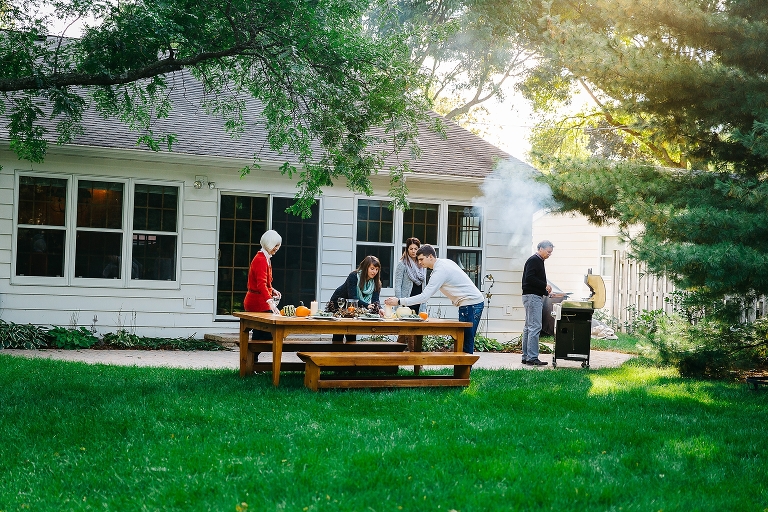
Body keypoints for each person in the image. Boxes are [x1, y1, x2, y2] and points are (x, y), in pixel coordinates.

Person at [385, 245, 484, 353]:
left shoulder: (440, 271)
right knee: (463, 339)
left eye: (421, 259)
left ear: (430, 256)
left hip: (471, 304)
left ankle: (465, 369)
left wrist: (399, 301)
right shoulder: (445, 263)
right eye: (418, 260)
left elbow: (424, 297)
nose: (419, 263)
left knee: (466, 340)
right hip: (469, 304)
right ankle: (463, 369)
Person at [327, 255, 382, 342]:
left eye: (376, 269)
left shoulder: (376, 283)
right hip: (340, 303)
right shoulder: (354, 276)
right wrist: (367, 305)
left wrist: (380, 309)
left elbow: (375, 301)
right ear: (365, 267)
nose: (374, 271)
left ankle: (351, 354)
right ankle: (336, 353)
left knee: (352, 333)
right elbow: (353, 297)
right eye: (372, 268)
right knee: (339, 333)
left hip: (354, 307)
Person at [243, 230, 282, 340]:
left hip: (259, 301)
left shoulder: (265, 258)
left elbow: (262, 282)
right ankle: (252, 356)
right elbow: (261, 284)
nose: (277, 248)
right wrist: (271, 302)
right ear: (270, 244)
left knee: (262, 334)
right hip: (257, 303)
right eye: (276, 245)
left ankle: (253, 356)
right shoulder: (261, 260)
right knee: (266, 335)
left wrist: (272, 289)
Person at [521, 240, 554, 366]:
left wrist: (546, 292)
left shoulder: (537, 260)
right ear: (541, 248)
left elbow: (532, 281)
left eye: (551, 252)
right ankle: (532, 358)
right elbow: (529, 278)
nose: (549, 254)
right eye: (548, 251)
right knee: (535, 327)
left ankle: (526, 356)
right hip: (532, 298)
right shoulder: (535, 260)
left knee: (528, 327)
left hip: (530, 296)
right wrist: (544, 286)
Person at [393, 237, 427, 350]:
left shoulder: (422, 264)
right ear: (407, 249)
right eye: (411, 248)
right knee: (409, 329)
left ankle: (396, 356)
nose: (413, 251)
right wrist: (399, 302)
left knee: (415, 330)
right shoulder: (402, 264)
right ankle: (415, 358)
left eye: (416, 248)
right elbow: (397, 285)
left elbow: (424, 285)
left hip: (419, 300)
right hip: (406, 301)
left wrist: (424, 301)